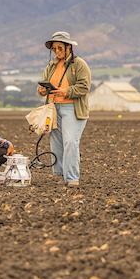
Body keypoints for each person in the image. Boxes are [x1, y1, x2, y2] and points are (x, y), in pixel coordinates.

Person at [37, 31, 91, 187]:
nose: (57, 51)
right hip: (54, 108)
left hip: (72, 108)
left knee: (70, 142)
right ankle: (60, 173)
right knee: (57, 143)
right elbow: (44, 84)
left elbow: (84, 87)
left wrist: (64, 91)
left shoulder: (79, 64)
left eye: (60, 48)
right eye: (54, 49)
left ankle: (72, 178)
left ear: (69, 47)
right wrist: (41, 90)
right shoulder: (52, 65)